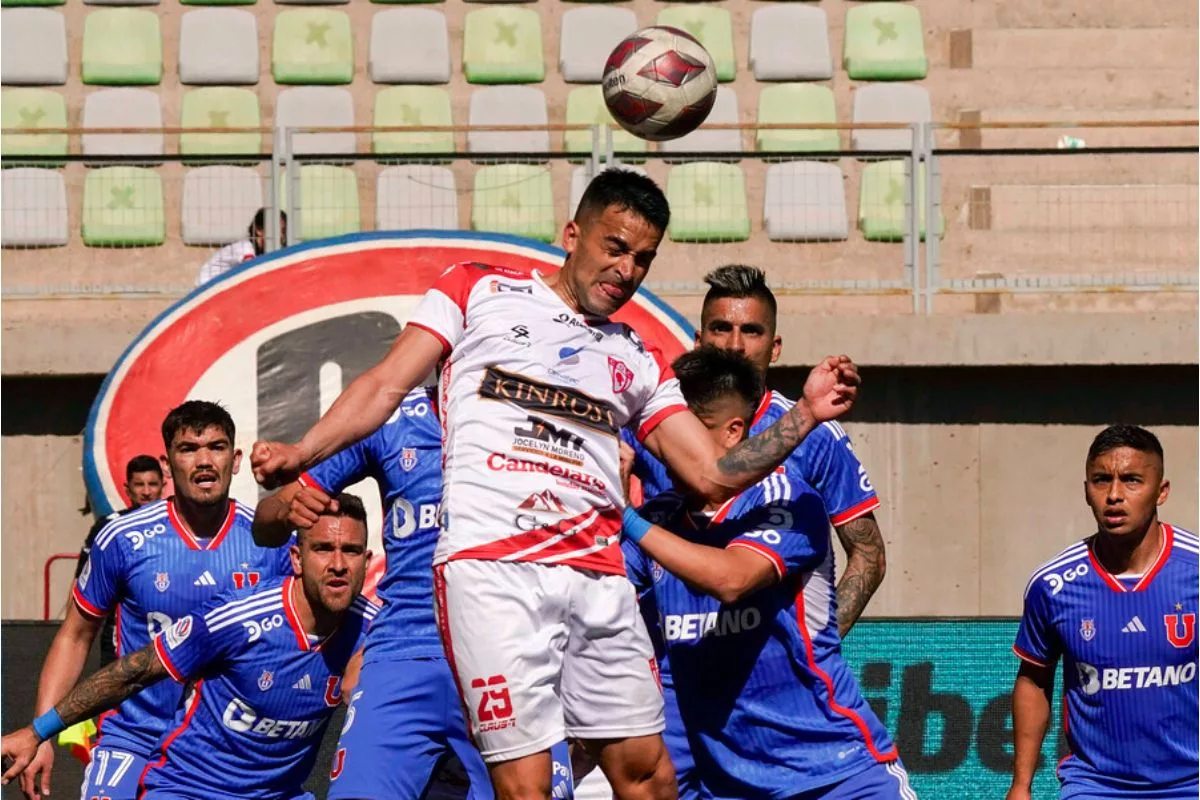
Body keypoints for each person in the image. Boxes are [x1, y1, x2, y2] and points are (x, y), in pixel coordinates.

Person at [250, 168, 860, 800]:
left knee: (648, 774)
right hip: (494, 575)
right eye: (615, 247)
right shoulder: (477, 290)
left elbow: (712, 474)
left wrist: (806, 412)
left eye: (643, 259)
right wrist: (303, 449)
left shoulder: (638, 357)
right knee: (526, 786)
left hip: (598, 579)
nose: (626, 270)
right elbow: (383, 385)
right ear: (573, 234)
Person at [616, 346, 914, 799]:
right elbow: (602, 596)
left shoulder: (785, 500)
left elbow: (730, 580)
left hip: (837, 777)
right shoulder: (658, 520)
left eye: (683, 435)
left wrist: (626, 517)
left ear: (733, 432)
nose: (664, 449)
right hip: (730, 786)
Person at [2, 494, 378, 800]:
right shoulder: (235, 618)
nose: (339, 564)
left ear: (368, 560)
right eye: (324, 549)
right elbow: (132, 673)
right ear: (295, 559)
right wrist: (38, 732)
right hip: (191, 790)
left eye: (352, 551)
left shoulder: (379, 629)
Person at [19, 401, 290, 800]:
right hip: (132, 738)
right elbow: (75, 636)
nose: (203, 461)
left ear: (234, 461)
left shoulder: (270, 541)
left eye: (216, 447)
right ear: (167, 465)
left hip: (225, 751)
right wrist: (43, 733)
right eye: (188, 449)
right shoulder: (122, 538)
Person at [253, 385, 495, 800]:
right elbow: (265, 522)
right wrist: (285, 510)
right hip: (401, 653)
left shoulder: (535, 415)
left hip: (499, 651)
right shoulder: (390, 415)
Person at [627, 264, 886, 637]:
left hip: (773, 677)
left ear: (775, 347)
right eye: (721, 328)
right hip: (675, 669)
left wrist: (818, 642)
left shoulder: (816, 435)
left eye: (751, 331)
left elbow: (869, 556)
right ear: (699, 341)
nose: (734, 345)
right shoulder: (655, 423)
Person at [1007, 425, 1198, 800]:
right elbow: (1034, 679)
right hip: (1095, 786)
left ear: (1161, 491)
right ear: (1085, 491)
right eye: (1101, 480)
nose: (1114, 495)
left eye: (1131, 480)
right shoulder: (1054, 584)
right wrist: (1021, 785)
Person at [76, 454, 166, 666]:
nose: (146, 491)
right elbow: (79, 585)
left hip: (169, 642)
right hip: (119, 645)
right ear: (128, 489)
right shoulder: (108, 527)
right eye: (139, 485)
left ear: (163, 485)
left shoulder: (181, 524)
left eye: (152, 484)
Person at [195, 208, 287, 286]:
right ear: (259, 230)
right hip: (206, 286)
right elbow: (251, 272)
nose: (281, 236)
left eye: (283, 231)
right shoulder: (245, 249)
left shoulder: (262, 250)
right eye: (276, 230)